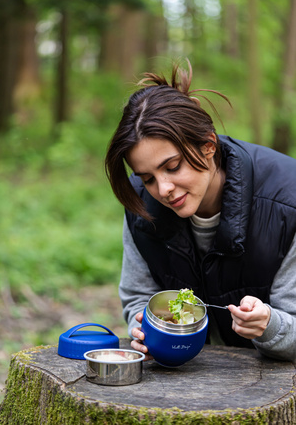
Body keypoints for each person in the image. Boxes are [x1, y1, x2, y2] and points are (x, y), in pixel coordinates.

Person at [105, 60, 296, 362]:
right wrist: (144, 329)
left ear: (208, 145)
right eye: (148, 178)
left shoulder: (288, 202)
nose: (162, 189)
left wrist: (269, 325)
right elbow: (138, 297)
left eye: (172, 167)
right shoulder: (142, 203)